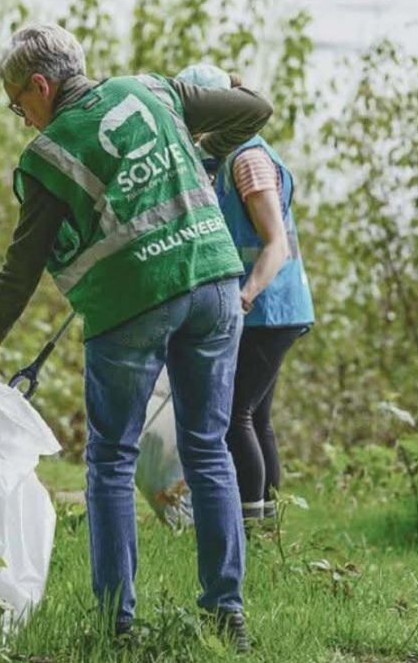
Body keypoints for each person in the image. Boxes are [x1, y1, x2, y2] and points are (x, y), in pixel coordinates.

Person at [0, 25, 273, 650]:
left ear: (41, 85)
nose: (23, 118)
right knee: (207, 448)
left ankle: (119, 625)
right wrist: (203, 153)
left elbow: (20, 271)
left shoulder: (48, 155)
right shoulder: (152, 90)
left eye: (19, 105)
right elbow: (254, 108)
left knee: (112, 461)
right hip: (214, 283)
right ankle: (227, 615)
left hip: (132, 306)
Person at [177, 64, 315, 522]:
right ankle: (268, 524)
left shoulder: (249, 160)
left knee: (234, 413)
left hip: (268, 309)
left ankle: (249, 526)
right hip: (275, 308)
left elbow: (274, 243)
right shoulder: (225, 155)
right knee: (256, 417)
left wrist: (245, 295)